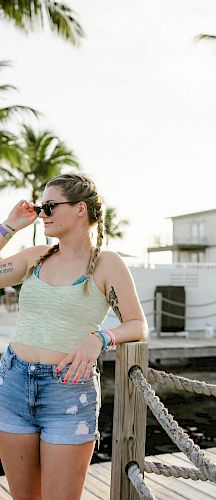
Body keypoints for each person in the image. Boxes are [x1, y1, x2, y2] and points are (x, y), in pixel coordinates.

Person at [0, 173, 148, 499]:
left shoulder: (107, 265)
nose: (43, 214)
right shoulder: (36, 256)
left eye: (50, 206)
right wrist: (9, 226)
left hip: (67, 394)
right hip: (13, 384)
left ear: (80, 209)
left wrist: (100, 338)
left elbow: (137, 324)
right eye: (41, 207)